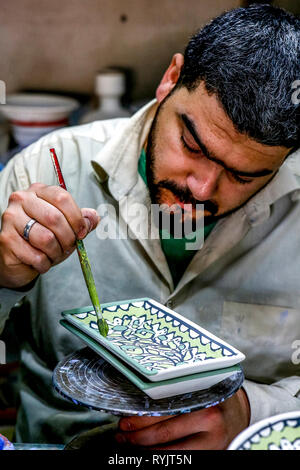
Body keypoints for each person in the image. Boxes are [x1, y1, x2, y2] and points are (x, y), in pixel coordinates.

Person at [0, 3, 300, 450]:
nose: (201, 189)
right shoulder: (50, 167)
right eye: (192, 144)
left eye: (243, 176)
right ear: (170, 79)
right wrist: (2, 277)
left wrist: (253, 412)